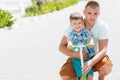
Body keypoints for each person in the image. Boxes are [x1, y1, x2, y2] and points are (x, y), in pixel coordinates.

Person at [59, 1, 112, 80]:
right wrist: (75, 54)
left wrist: (91, 62)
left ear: (99, 14)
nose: (92, 17)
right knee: (65, 75)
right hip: (77, 55)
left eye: (95, 14)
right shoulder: (74, 24)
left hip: (93, 56)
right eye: (89, 13)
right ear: (84, 12)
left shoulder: (102, 26)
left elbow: (103, 49)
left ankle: (101, 78)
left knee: (106, 66)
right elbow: (61, 47)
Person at [67, 12, 95, 80]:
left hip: (87, 57)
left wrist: (91, 43)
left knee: (90, 76)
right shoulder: (71, 34)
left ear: (82, 23)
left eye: (79, 23)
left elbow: (90, 38)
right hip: (77, 58)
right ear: (71, 24)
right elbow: (69, 41)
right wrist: (70, 44)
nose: (77, 25)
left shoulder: (85, 32)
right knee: (82, 76)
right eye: (75, 23)